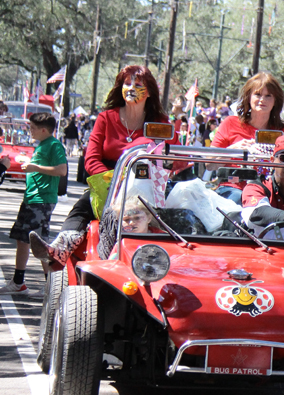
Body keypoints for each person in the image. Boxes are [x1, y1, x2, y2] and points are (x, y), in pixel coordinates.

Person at [31, 65, 174, 269]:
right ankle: (61, 246)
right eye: (126, 83)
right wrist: (113, 182)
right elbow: (91, 158)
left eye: (138, 84)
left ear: (149, 91)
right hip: (108, 184)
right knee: (82, 206)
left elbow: (174, 160)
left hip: (146, 186)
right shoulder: (106, 118)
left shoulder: (160, 123)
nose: (131, 88)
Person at [1, 113, 67, 295]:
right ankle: (18, 282)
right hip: (32, 199)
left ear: (44, 130)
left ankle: (51, 286)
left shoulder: (54, 145)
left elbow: (62, 170)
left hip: (42, 200)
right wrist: (31, 164)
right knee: (22, 239)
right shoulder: (43, 145)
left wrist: (35, 167)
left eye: (32, 128)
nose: (29, 131)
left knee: (40, 243)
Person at [211, 72, 284, 202]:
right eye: (258, 94)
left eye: (268, 96)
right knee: (239, 199)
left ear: (275, 100)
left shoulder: (283, 131)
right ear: (248, 97)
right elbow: (209, 164)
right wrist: (233, 150)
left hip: (271, 190)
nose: (262, 100)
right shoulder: (230, 123)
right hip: (233, 187)